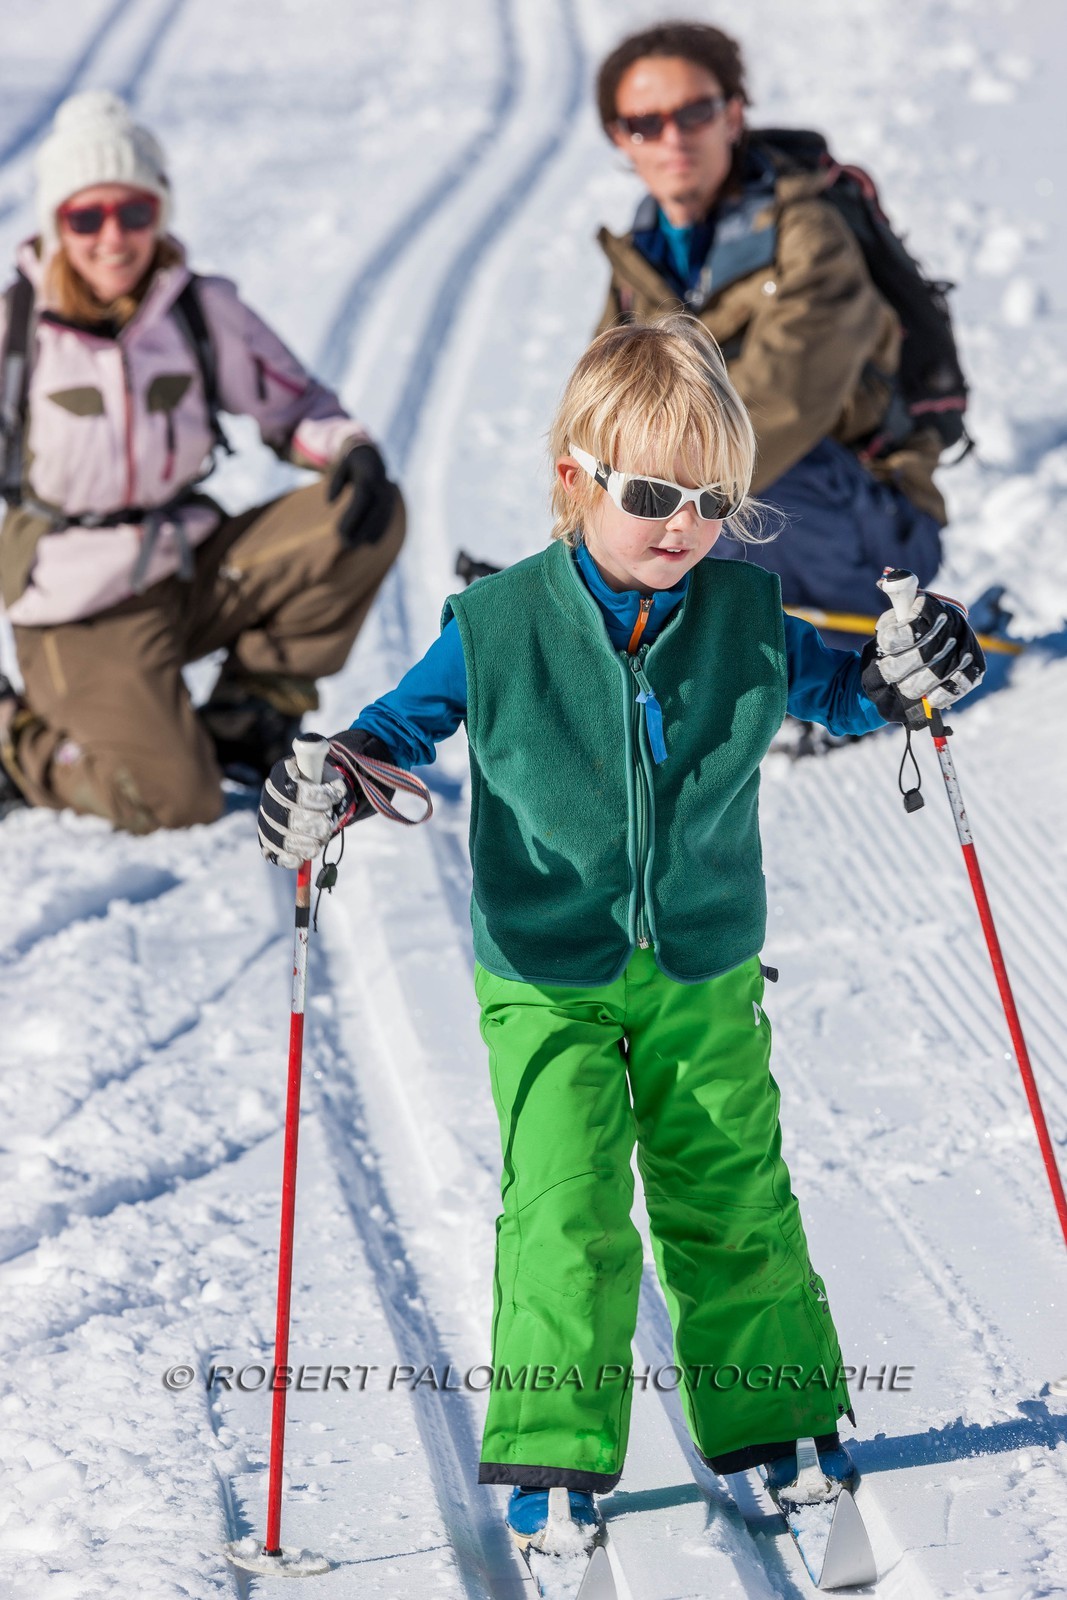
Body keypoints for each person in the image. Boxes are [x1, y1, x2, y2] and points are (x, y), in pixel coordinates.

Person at [256, 318, 983, 1551]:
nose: (681, 524)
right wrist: (336, 776)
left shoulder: (743, 613)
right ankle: (553, 1451)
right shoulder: (496, 625)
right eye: (651, 493)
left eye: (713, 500)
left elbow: (846, 688)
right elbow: (393, 729)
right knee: (565, 1205)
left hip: (699, 963)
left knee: (731, 1190)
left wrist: (911, 667)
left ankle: (771, 1420)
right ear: (573, 479)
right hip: (546, 973)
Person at [0, 90, 403, 831]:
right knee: (176, 801)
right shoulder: (15, 332)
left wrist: (351, 448)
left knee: (364, 513)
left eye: (134, 212)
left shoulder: (198, 309)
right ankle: (15, 740)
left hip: (184, 563)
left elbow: (298, 404)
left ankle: (249, 714)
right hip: (76, 609)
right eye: (85, 217)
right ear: (55, 226)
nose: (112, 237)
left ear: (161, 212)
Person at [594, 22, 946, 619]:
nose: (673, 138)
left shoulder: (809, 235)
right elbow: (601, 425)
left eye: (696, 113)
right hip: (743, 518)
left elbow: (780, 411)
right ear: (621, 139)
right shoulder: (639, 264)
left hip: (869, 528)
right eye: (646, 123)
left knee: (720, 474)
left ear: (733, 116)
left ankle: (761, 659)